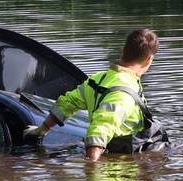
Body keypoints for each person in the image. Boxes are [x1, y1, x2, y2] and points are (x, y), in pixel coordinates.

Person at [26, 28, 167, 161]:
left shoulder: (97, 79)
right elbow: (100, 129)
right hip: (121, 173)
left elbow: (68, 103)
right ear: (149, 59)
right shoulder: (124, 93)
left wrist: (42, 129)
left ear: (123, 50)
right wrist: (92, 169)